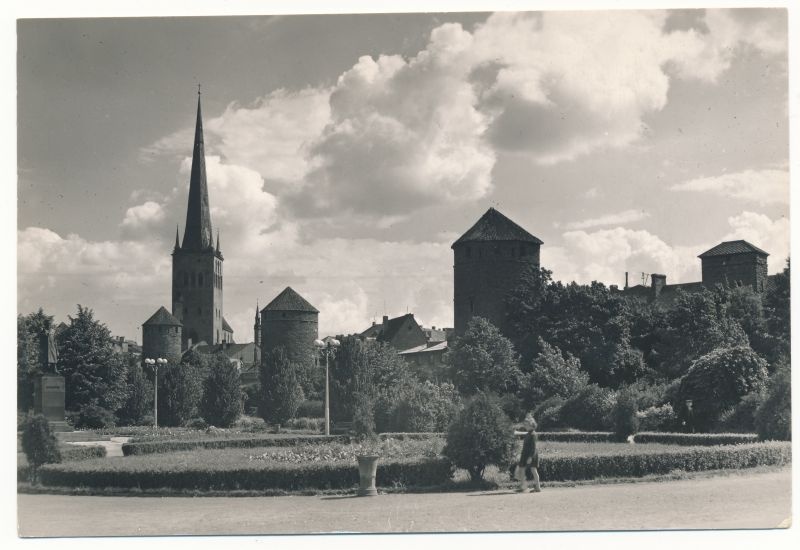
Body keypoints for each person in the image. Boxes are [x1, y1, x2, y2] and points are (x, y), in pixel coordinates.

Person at [515, 414, 541, 493]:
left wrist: (530, 457)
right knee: (524, 469)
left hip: (531, 455)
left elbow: (533, 447)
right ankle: (524, 486)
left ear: (531, 425)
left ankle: (536, 487)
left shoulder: (533, 434)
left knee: (533, 470)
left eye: (526, 425)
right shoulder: (529, 433)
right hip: (526, 454)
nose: (525, 426)